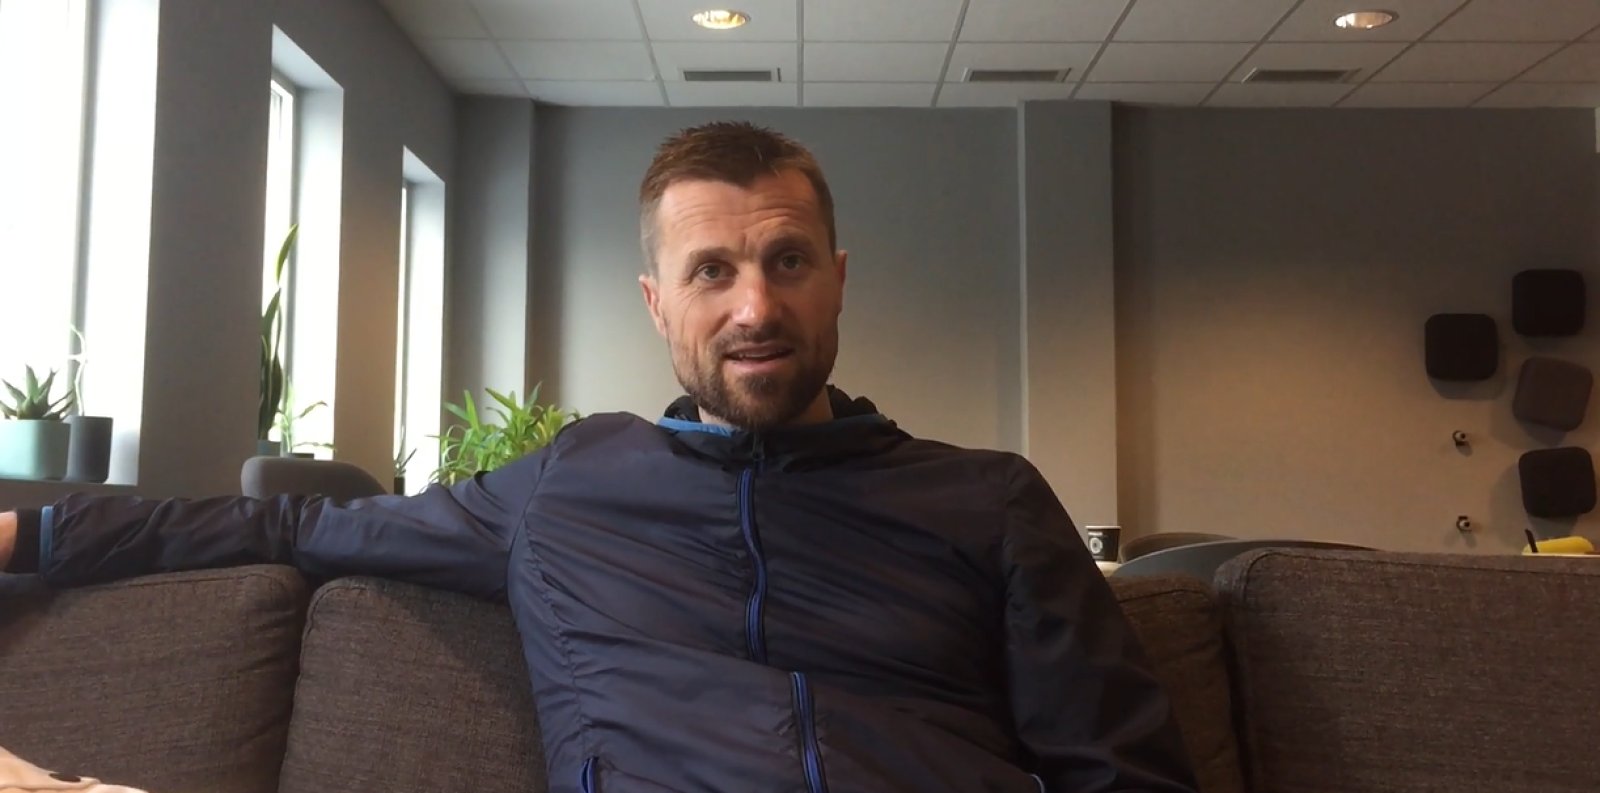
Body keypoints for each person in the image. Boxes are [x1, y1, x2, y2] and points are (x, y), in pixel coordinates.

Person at [0, 122, 1198, 793]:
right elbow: (296, 526)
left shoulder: (984, 499)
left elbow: (1121, 772)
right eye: (710, 271)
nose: (753, 306)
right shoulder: (567, 485)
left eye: (786, 261)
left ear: (836, 280)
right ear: (655, 300)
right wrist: (33, 529)